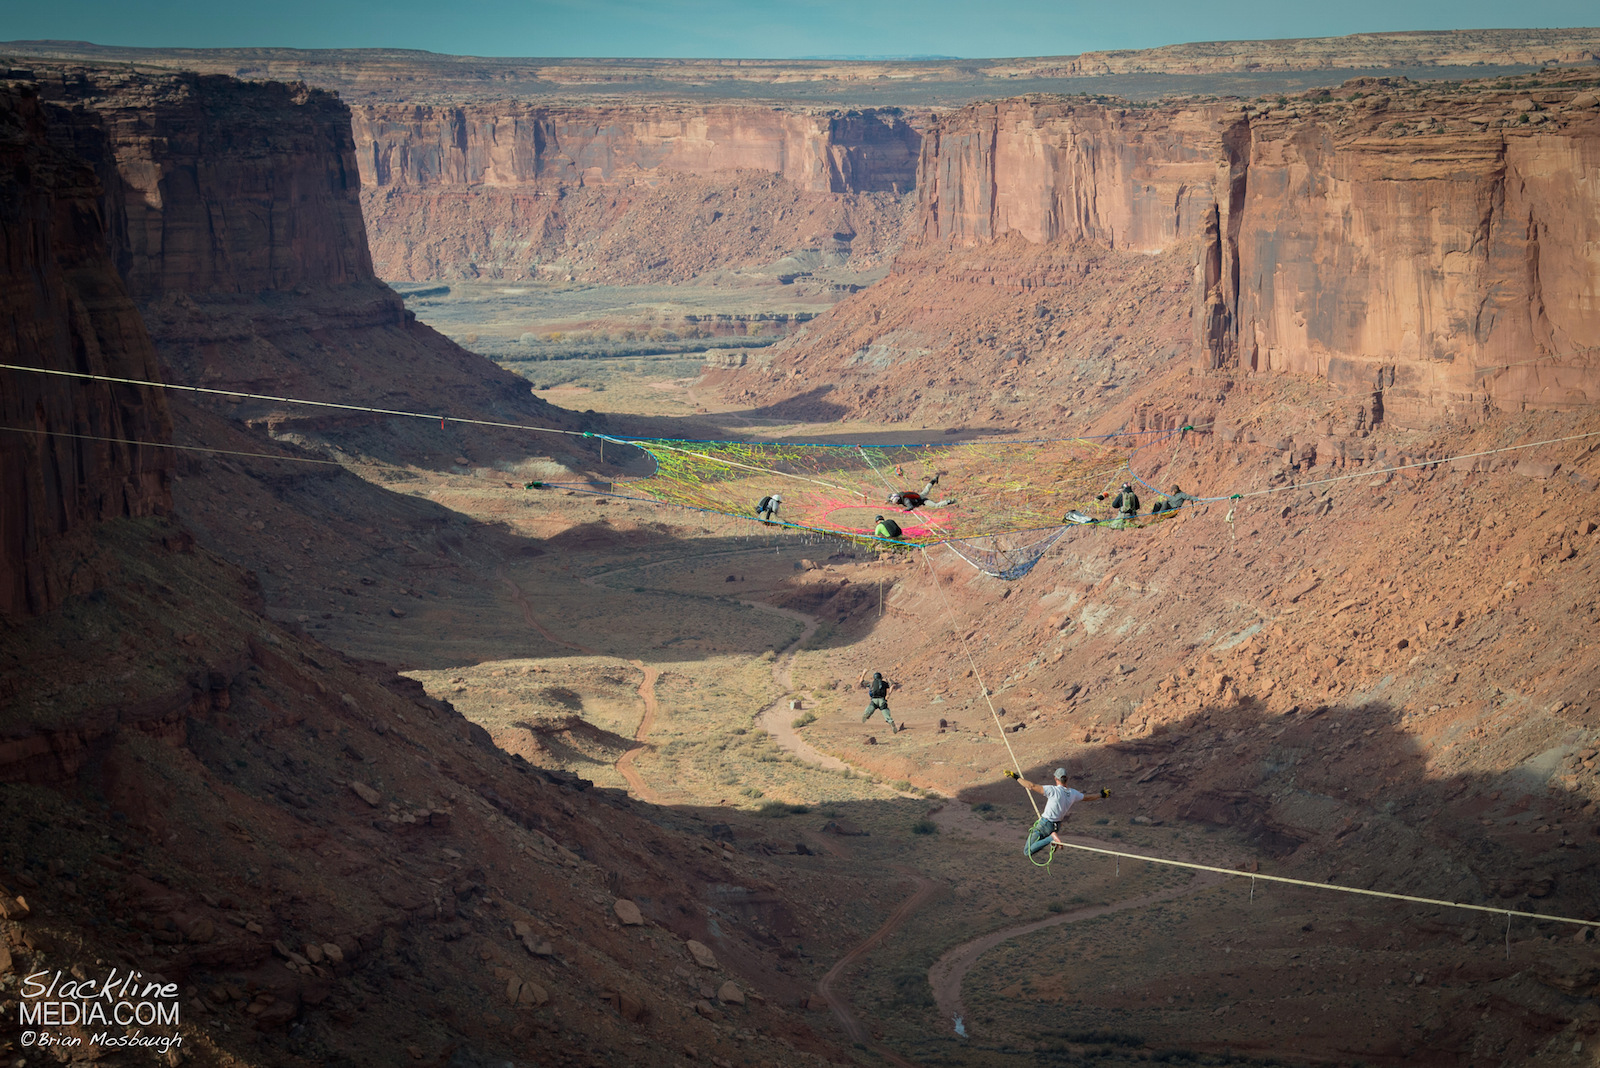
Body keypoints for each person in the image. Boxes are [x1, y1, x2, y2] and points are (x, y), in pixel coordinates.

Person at [1004, 767, 1109, 856]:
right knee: (1038, 845)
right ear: (1067, 779)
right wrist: (1101, 795)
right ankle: (1052, 839)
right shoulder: (1073, 793)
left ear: (1055, 778)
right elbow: (1087, 797)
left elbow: (1031, 786)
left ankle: (1052, 838)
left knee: (1027, 851)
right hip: (1056, 826)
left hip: (1045, 824)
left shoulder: (1053, 790)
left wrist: (1016, 777)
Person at [888, 473, 953, 511]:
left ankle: (949, 501)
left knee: (935, 505)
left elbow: (910, 507)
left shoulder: (906, 500)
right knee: (926, 489)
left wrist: (903, 510)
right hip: (919, 496)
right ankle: (934, 479)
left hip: (922, 500)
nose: (896, 504)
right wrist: (887, 501)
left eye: (895, 502)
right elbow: (891, 496)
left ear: (897, 501)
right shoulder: (899, 495)